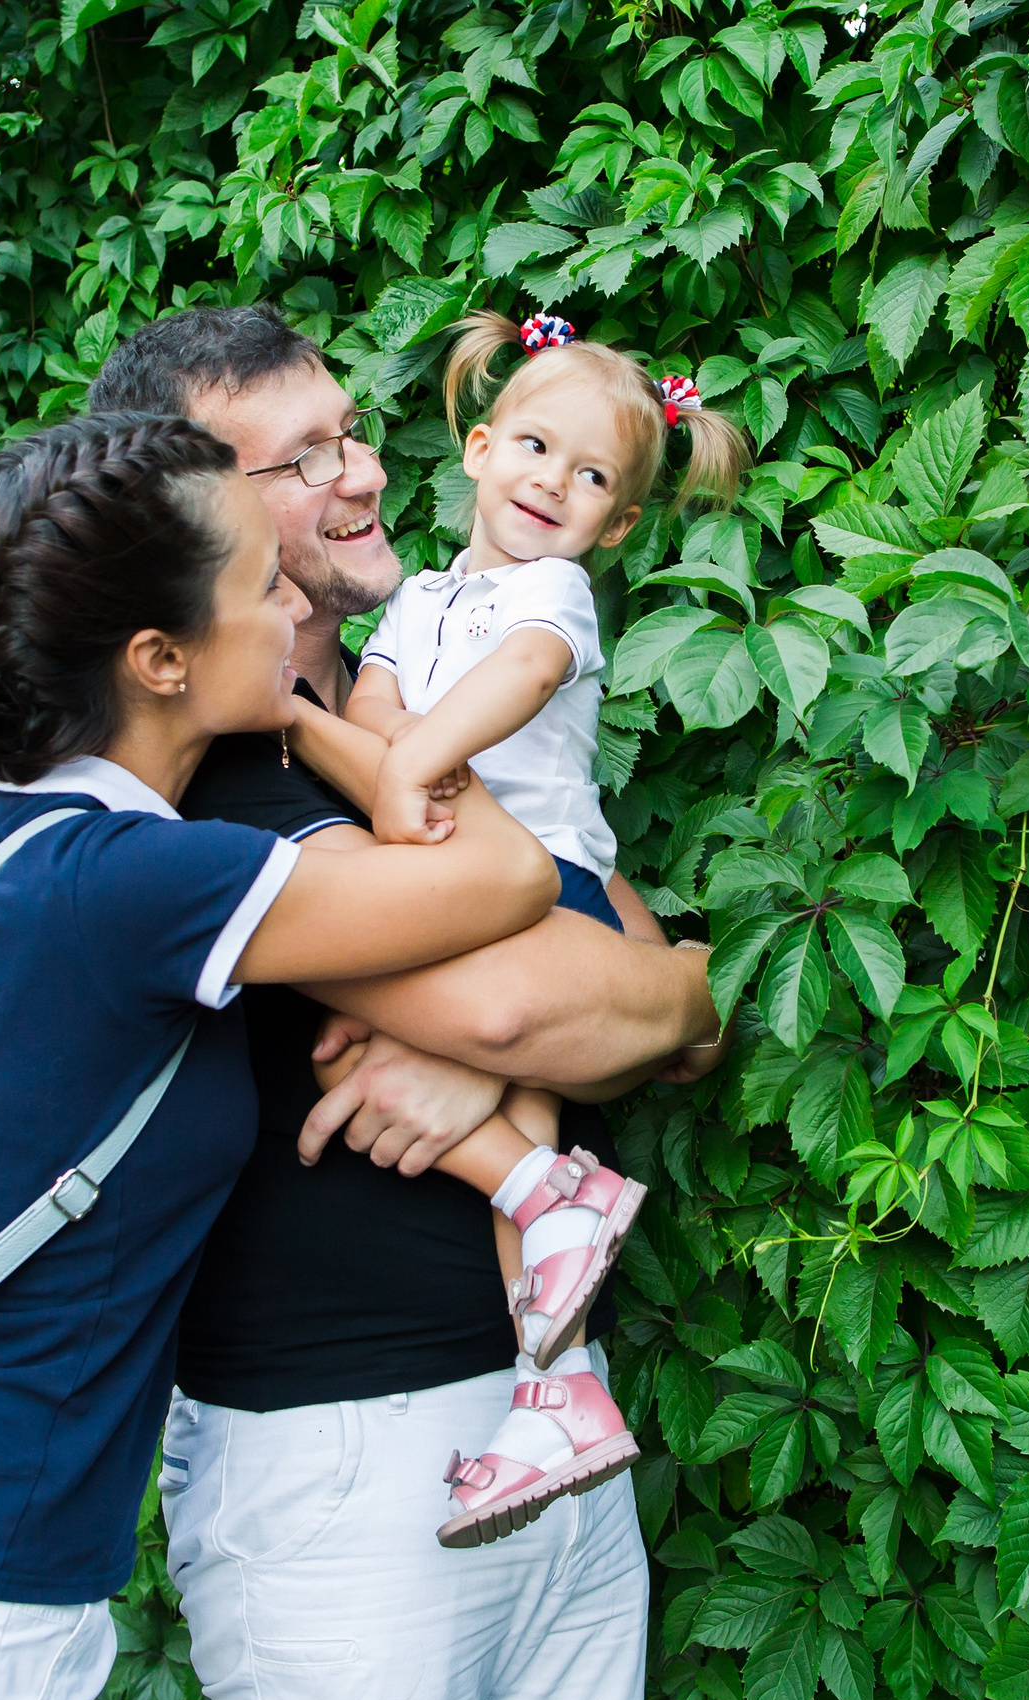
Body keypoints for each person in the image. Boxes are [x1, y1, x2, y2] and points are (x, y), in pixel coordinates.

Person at [0, 412, 571, 1700]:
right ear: (162, 658)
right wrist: (390, 731)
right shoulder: (133, 884)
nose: (294, 609)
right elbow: (509, 875)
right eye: (260, 587)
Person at [86, 308, 723, 1700]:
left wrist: (640, 1000)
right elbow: (524, 1006)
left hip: (552, 1423)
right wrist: (549, 1025)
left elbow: (661, 1007)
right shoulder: (210, 778)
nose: (367, 475)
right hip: (347, 1470)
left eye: (351, 433)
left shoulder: (404, 718)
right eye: (305, 459)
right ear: (195, 517)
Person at [340, 308, 751, 1544]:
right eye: (531, 448)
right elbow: (368, 701)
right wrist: (382, 753)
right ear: (472, 448)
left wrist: (408, 762)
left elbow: (515, 680)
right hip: (448, 878)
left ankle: (547, 1340)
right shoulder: (418, 596)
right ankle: (552, 1390)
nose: (550, 485)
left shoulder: (555, 594)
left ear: (615, 525)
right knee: (533, 1196)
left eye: (589, 479)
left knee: (521, 1132)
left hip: (542, 883)